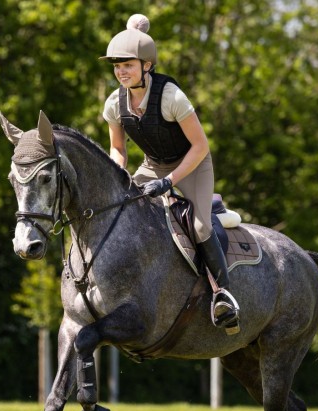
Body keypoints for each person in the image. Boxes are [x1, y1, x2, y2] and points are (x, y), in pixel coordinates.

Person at [100, 14, 240, 334]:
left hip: (191, 165)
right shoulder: (113, 104)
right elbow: (118, 150)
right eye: (117, 66)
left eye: (128, 65)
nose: (121, 72)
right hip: (151, 166)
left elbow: (200, 146)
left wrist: (170, 181)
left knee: (202, 227)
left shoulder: (171, 97)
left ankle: (223, 295)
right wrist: (118, 177)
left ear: (146, 65)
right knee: (119, 211)